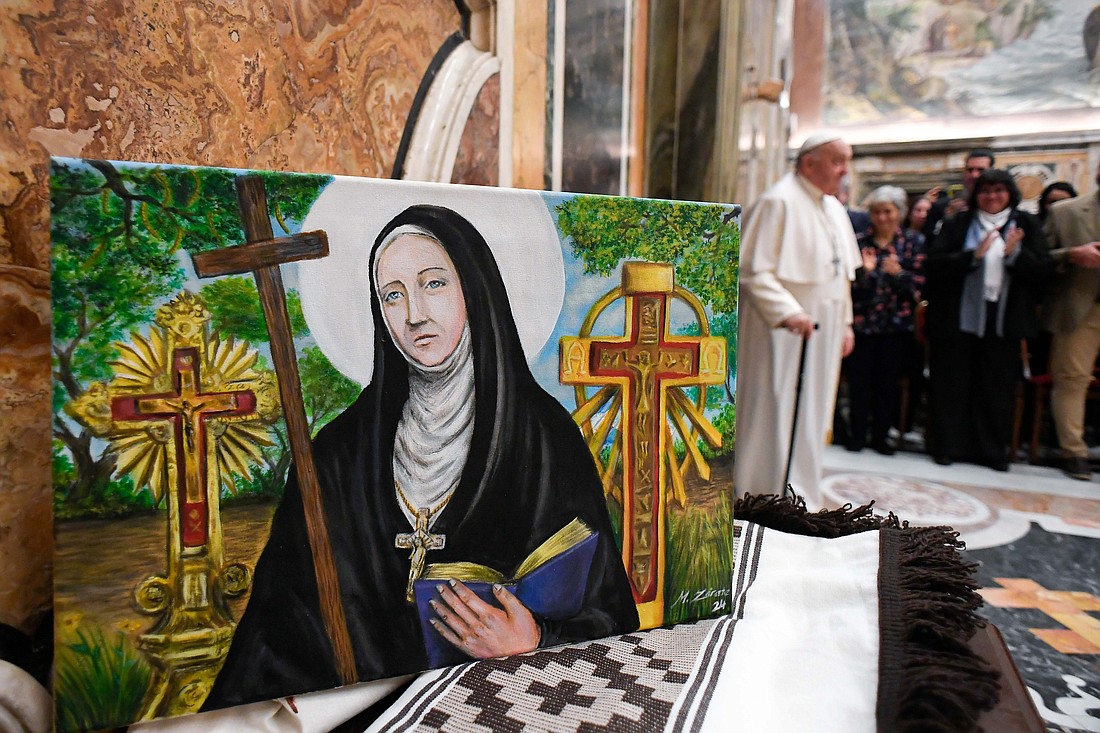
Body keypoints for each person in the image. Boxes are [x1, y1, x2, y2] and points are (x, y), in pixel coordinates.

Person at [204, 205, 639, 709]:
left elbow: (609, 614)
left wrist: (535, 639)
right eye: (393, 295)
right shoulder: (338, 453)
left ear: (473, 291)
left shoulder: (544, 440)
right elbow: (280, 618)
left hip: (497, 699)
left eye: (433, 284)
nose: (413, 314)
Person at [735, 131, 861, 508]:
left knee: (814, 411)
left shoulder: (833, 208)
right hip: (782, 332)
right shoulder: (778, 202)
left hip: (824, 328)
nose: (844, 171)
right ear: (810, 163)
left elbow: (842, 276)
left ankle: (800, 489)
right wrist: (788, 311)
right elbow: (753, 271)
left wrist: (847, 323)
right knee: (777, 409)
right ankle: (760, 491)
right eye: (838, 161)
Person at [924, 169, 1051, 470]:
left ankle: (992, 450)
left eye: (998, 191)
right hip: (958, 319)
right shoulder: (959, 224)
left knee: (996, 387)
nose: (991, 197)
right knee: (952, 384)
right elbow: (935, 266)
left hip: (1004, 321)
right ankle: (947, 446)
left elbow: (1043, 273)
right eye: (985, 191)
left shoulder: (1026, 225)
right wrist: (972, 257)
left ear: (1010, 194)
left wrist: (1015, 254)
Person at [846, 185, 926, 454]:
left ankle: (881, 436)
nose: (882, 218)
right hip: (864, 324)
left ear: (899, 213)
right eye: (877, 212)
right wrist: (865, 273)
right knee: (860, 383)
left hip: (896, 326)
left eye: (888, 212)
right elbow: (849, 287)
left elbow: (919, 287)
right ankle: (857, 435)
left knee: (887, 384)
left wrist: (898, 273)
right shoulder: (859, 242)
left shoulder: (913, 242)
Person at [1043, 164, 1100, 480]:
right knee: (1072, 379)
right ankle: (1073, 451)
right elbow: (1039, 258)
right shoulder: (1066, 211)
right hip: (1082, 306)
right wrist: (1071, 254)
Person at [923, 149, 996, 240]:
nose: (974, 175)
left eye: (980, 170)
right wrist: (949, 220)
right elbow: (929, 243)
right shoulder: (942, 208)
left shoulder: (1000, 206)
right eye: (970, 170)